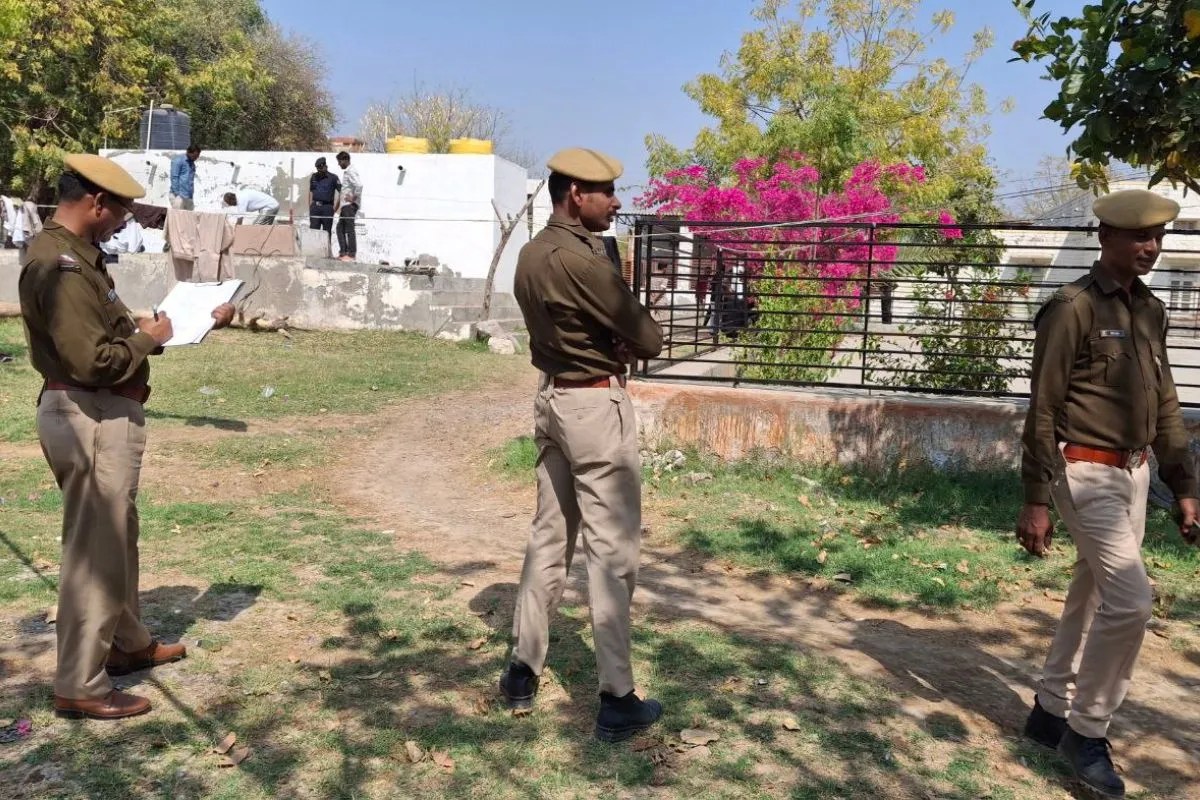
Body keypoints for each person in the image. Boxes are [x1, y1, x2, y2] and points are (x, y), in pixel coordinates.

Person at [19, 154, 235, 720]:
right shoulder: (62, 266)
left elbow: (104, 335)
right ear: (97, 204)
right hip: (87, 413)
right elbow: (92, 361)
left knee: (117, 536)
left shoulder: (77, 259)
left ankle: (126, 642)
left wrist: (179, 326)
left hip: (100, 411)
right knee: (95, 550)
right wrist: (148, 339)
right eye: (121, 212)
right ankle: (80, 683)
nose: (123, 223)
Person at [1017, 188, 1198, 799]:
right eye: (1139, 236)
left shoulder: (1150, 309)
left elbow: (1165, 402)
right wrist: (1035, 498)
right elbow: (1043, 408)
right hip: (1084, 472)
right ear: (1106, 238)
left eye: (1159, 237)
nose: (1152, 247)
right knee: (1132, 603)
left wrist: (1183, 484)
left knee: (1093, 591)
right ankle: (1086, 730)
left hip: (1136, 473)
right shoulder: (1072, 309)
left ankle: (1050, 711)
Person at [499, 147, 664, 743]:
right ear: (575, 194)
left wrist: (604, 337)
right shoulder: (583, 260)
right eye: (606, 192)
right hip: (595, 408)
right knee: (612, 551)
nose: (616, 202)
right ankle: (617, 698)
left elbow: (561, 329)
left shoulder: (530, 253)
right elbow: (649, 337)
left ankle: (522, 670)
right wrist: (619, 338)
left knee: (548, 537)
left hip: (552, 400)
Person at [335, 151, 361, 262]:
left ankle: (351, 254)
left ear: (345, 160)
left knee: (349, 229)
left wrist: (353, 198)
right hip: (345, 206)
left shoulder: (351, 171)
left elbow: (359, 185)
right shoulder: (348, 171)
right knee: (340, 228)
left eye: (339, 161)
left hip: (349, 206)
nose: (339, 164)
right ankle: (343, 253)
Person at [307, 157, 340, 240]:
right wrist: (310, 205)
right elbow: (311, 191)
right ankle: (314, 248)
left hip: (327, 208)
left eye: (321, 168)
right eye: (318, 169)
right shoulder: (314, 177)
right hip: (315, 208)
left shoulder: (333, 178)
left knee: (326, 233)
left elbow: (341, 192)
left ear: (326, 166)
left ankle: (327, 248)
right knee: (313, 233)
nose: (320, 170)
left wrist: (335, 208)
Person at [169, 145, 200, 210]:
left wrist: (190, 195)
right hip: (178, 196)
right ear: (189, 152)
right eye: (194, 156)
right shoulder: (178, 160)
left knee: (190, 215)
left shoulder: (192, 164)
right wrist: (178, 194)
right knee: (178, 216)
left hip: (188, 197)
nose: (196, 158)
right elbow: (174, 177)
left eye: (197, 156)